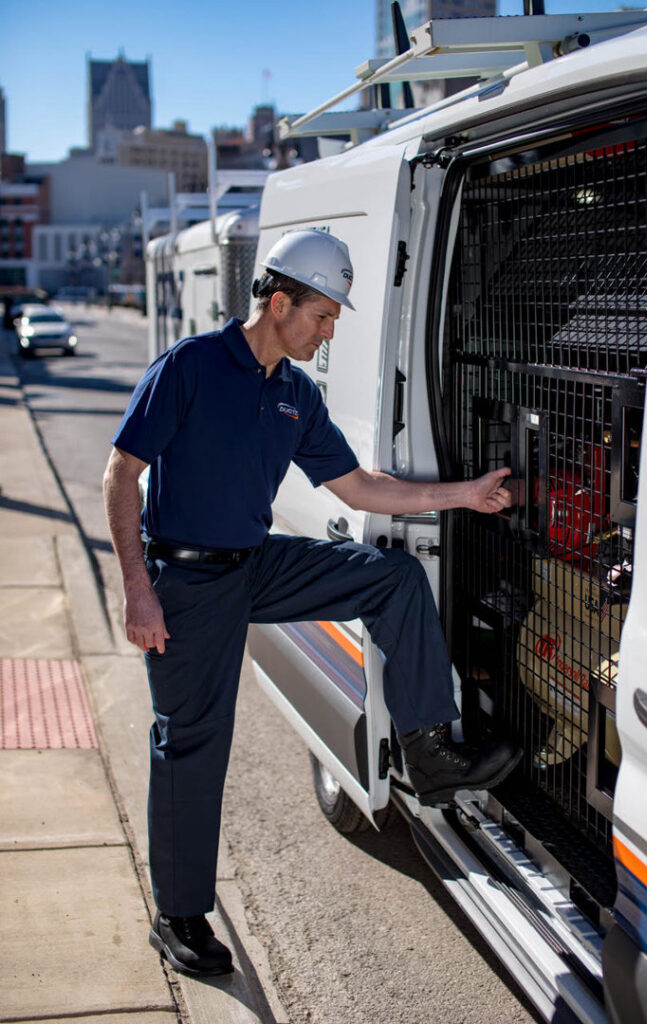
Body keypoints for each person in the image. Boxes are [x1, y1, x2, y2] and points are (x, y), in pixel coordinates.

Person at [103, 228, 519, 978]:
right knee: (193, 746)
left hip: (255, 565)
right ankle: (181, 913)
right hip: (186, 583)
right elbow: (120, 475)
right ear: (279, 300)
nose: (330, 333)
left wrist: (463, 497)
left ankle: (427, 751)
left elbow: (358, 488)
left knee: (387, 576)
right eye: (323, 316)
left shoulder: (295, 393)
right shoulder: (191, 367)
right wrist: (138, 589)